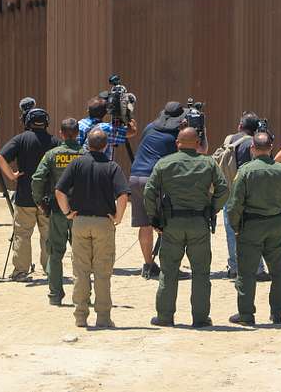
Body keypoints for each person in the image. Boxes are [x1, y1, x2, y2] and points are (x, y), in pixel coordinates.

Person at [144, 127, 228, 327]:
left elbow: (149, 192)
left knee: (169, 270)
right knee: (201, 271)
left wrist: (154, 218)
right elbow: (223, 189)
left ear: (177, 143)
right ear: (198, 143)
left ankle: (165, 316)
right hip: (199, 222)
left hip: (172, 223)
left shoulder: (164, 163)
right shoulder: (209, 163)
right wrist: (212, 209)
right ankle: (200, 318)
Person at [225, 130, 281, 325]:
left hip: (251, 225)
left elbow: (235, 204)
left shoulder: (245, 171)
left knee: (246, 272)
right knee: (279, 271)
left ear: (252, 148)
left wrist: (235, 226)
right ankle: (277, 313)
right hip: (276, 223)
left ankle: (246, 314)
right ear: (271, 148)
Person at [55, 128, 130, 328]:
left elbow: (59, 191)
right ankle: (103, 317)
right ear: (105, 146)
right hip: (103, 223)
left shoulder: (77, 163)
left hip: (80, 221)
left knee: (80, 271)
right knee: (102, 272)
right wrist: (118, 217)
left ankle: (80, 316)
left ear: (87, 144)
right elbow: (123, 195)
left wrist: (67, 213)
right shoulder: (112, 166)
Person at [0, 106, 57, 281]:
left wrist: (12, 176)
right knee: (48, 234)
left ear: (28, 121)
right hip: (46, 197)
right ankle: (50, 269)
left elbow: (0, 157)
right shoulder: (54, 141)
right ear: (46, 122)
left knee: (22, 234)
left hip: (24, 195)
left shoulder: (21, 139)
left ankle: (21, 271)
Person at [130, 102, 188, 280]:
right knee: (167, 225)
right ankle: (169, 268)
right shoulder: (176, 136)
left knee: (145, 224)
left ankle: (148, 265)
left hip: (136, 176)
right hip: (155, 180)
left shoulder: (149, 127)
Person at [32, 118, 85, 306]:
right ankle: (83, 294)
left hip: (58, 210)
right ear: (77, 133)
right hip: (82, 211)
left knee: (55, 253)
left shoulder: (52, 155)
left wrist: (39, 202)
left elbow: (38, 179)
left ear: (61, 134)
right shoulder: (85, 154)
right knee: (83, 254)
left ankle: (55, 295)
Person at [220, 111, 259, 278]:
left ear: (240, 126)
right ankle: (257, 268)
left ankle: (234, 266)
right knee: (253, 229)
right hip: (251, 192)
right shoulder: (256, 142)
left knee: (231, 229)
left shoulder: (230, 139)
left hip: (230, 189)